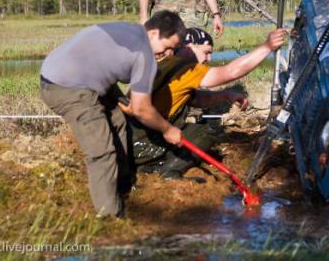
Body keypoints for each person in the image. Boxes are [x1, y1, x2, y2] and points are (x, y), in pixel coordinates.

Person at [39, 11, 185, 218]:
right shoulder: (145, 56)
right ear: (153, 33)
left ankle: (124, 187)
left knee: (118, 120)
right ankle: (110, 217)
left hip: (64, 73)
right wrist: (168, 129)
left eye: (174, 49)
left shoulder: (129, 29)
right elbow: (142, 110)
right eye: (167, 46)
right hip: (66, 87)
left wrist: (123, 100)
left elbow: (102, 57)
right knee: (102, 152)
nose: (168, 54)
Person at [122, 27, 287, 180]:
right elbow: (230, 72)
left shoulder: (166, 63)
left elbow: (195, 98)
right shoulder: (187, 68)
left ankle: (148, 164)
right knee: (205, 132)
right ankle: (168, 171)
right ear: (190, 46)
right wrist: (267, 47)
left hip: (129, 138)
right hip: (141, 143)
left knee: (192, 129)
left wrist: (226, 95)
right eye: (206, 52)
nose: (208, 59)